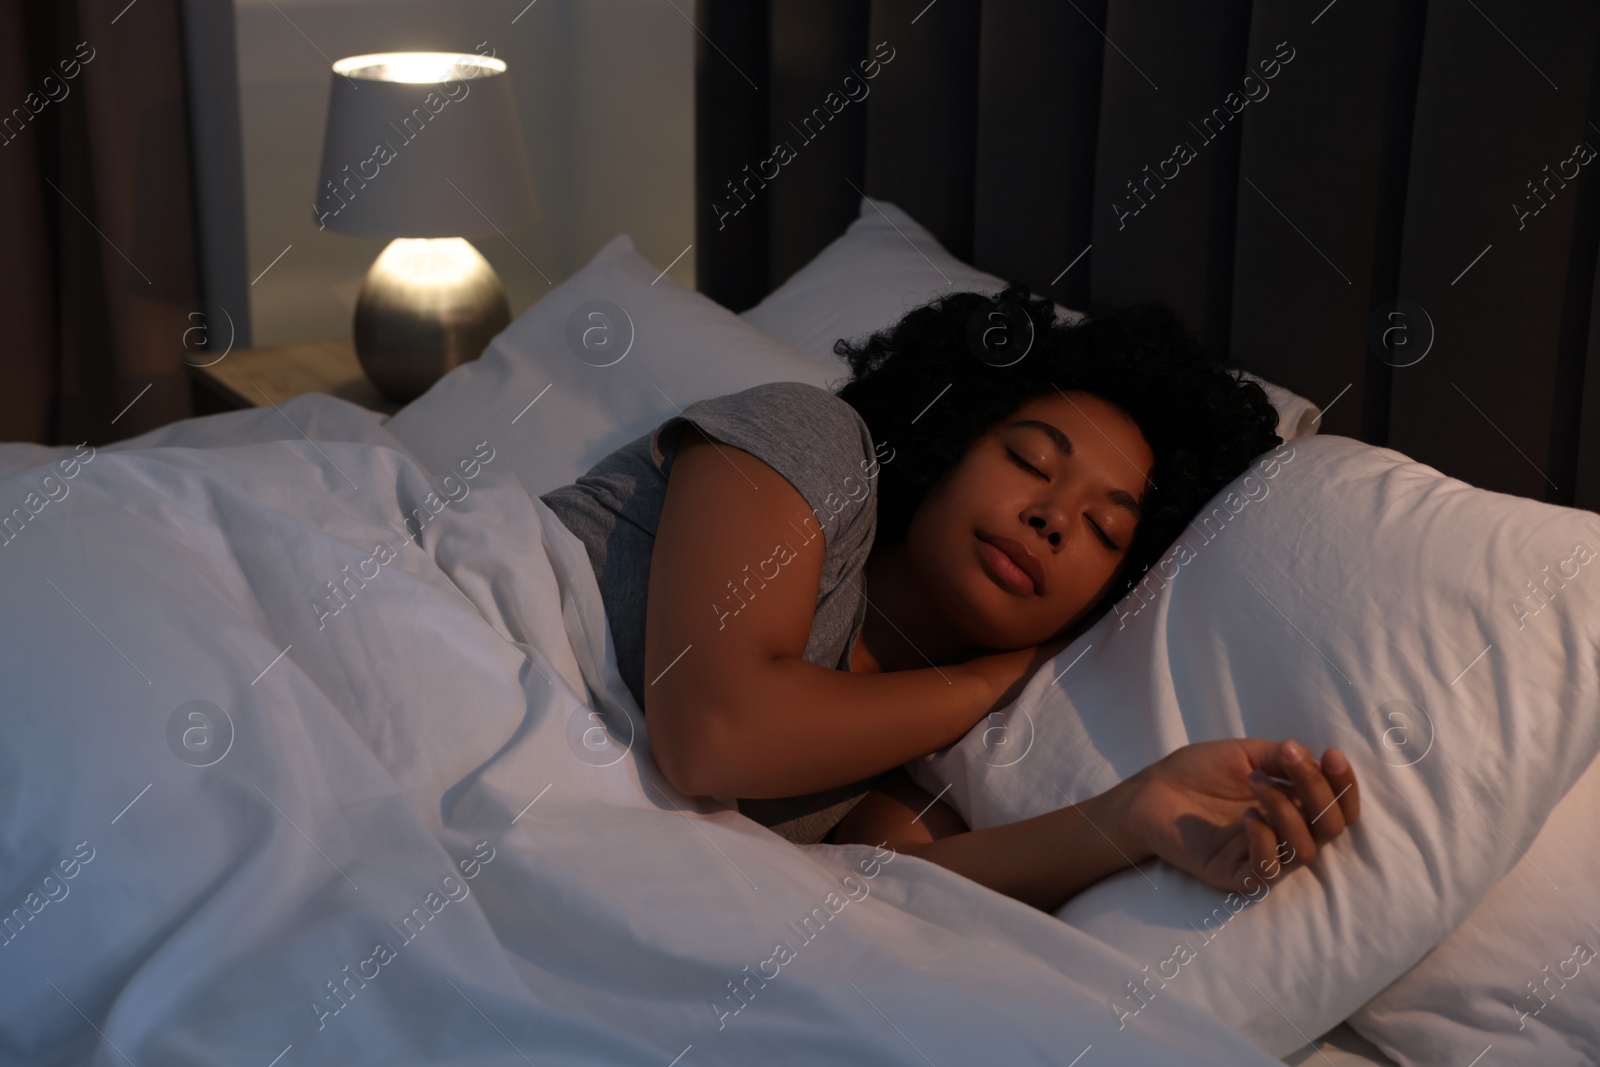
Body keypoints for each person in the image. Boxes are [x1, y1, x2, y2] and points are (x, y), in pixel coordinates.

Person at [539, 282, 1359, 914]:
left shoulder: (927, 756)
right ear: (950, 442)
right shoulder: (812, 446)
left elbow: (872, 896)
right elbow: (715, 734)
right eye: (1032, 462)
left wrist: (1136, 815)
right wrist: (991, 678)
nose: (1051, 518)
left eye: (1105, 531)